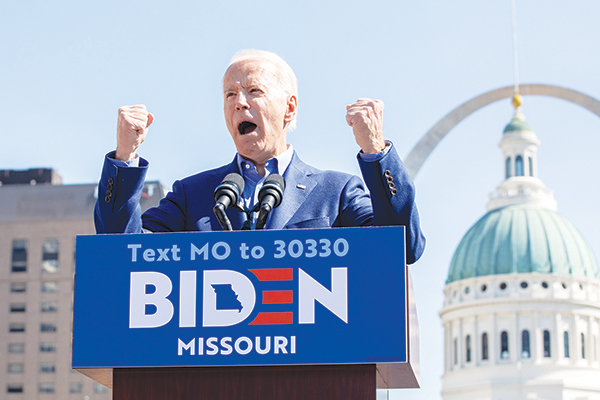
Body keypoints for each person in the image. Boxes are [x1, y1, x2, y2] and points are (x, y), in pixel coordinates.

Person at [94, 50, 426, 264]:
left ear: (289, 108)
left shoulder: (336, 193)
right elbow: (122, 256)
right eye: (230, 94)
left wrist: (374, 149)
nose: (239, 102)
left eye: (254, 91)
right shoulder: (190, 195)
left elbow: (401, 248)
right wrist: (125, 156)